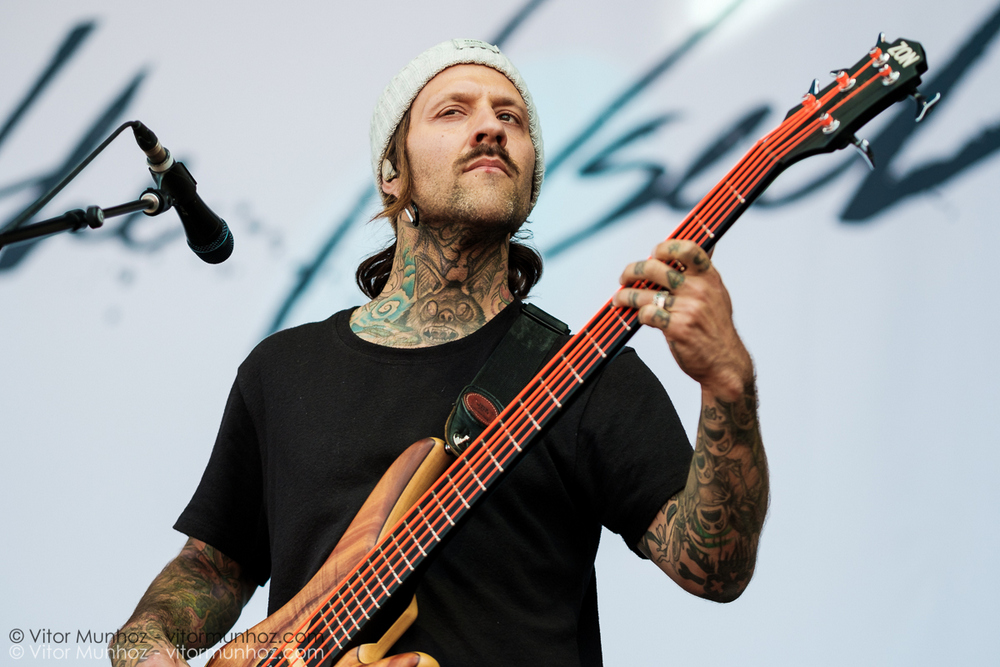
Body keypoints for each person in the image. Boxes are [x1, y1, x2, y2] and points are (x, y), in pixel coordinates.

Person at [109, 39, 768, 667]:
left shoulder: (585, 373)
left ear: (530, 184)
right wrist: (150, 638)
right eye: (454, 111)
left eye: (510, 117)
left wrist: (729, 385)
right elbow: (214, 566)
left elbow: (714, 566)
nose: (491, 127)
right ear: (391, 174)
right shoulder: (281, 371)